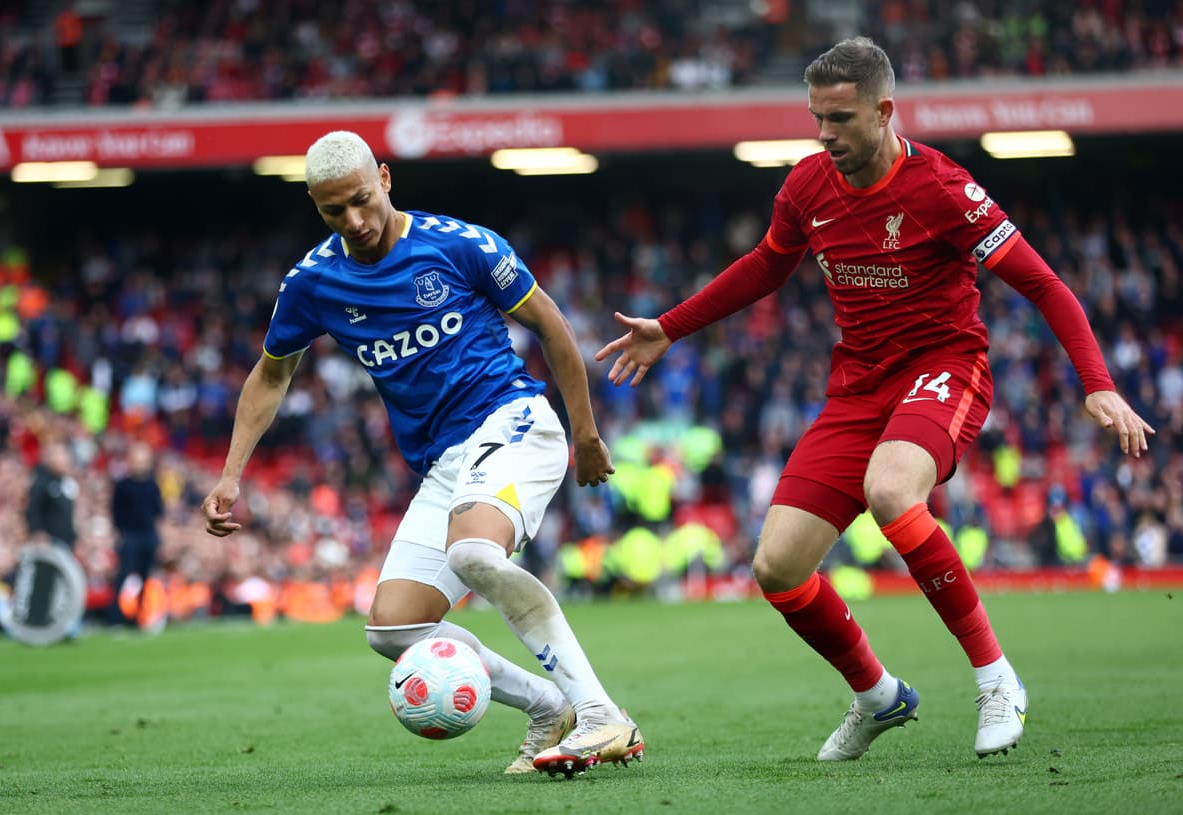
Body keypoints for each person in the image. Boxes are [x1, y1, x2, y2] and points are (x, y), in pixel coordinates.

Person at [597, 36, 1154, 761]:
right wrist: (669, 327)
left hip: (944, 367)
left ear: (884, 110)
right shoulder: (805, 187)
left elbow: (1045, 284)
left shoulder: (944, 190)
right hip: (857, 385)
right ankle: (877, 694)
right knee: (778, 567)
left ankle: (996, 678)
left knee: (892, 491)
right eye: (816, 118)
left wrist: (1098, 386)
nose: (824, 135)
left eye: (839, 118)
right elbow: (766, 266)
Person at [201, 130, 643, 777]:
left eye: (360, 200)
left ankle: (601, 712)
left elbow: (550, 323)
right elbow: (272, 374)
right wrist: (231, 475)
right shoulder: (315, 281)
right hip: (444, 461)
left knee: (472, 552)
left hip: (513, 419)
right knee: (393, 629)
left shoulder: (460, 244)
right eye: (333, 211)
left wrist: (584, 432)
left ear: (384, 177)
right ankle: (549, 705)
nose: (353, 221)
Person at [108, 441, 164, 626]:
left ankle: (141, 614)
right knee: (124, 576)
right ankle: (117, 617)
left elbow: (158, 511)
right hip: (129, 536)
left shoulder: (152, 485)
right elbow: (116, 512)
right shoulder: (123, 485)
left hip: (148, 536)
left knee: (146, 577)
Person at [26, 439, 78, 552]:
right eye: (60, 455)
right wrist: (38, 531)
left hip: (66, 543)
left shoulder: (66, 482)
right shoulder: (41, 482)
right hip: (50, 544)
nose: (65, 459)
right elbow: (32, 509)